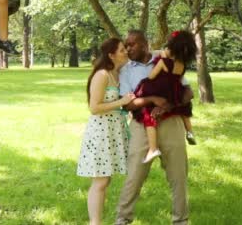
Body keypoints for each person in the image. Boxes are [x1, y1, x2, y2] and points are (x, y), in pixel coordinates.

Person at [115, 29, 193, 225]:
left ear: (144, 44)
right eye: (126, 45)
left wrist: (169, 105)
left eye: (132, 44)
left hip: (172, 123)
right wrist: (152, 100)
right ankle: (122, 219)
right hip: (141, 125)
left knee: (178, 176)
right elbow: (126, 104)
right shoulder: (126, 71)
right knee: (134, 175)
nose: (128, 48)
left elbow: (188, 91)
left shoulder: (165, 58)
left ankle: (181, 220)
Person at [77, 38, 135, 225]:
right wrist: (122, 102)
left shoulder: (118, 74)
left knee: (105, 180)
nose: (125, 52)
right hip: (101, 132)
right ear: (111, 55)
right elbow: (94, 108)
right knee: (100, 181)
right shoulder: (102, 75)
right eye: (121, 50)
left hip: (114, 131)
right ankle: (95, 223)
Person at [134, 30, 198, 163]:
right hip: (175, 91)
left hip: (161, 89)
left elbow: (152, 76)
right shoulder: (182, 65)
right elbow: (180, 81)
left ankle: (153, 148)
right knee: (185, 111)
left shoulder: (164, 61)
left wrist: (161, 59)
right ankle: (190, 132)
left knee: (148, 114)